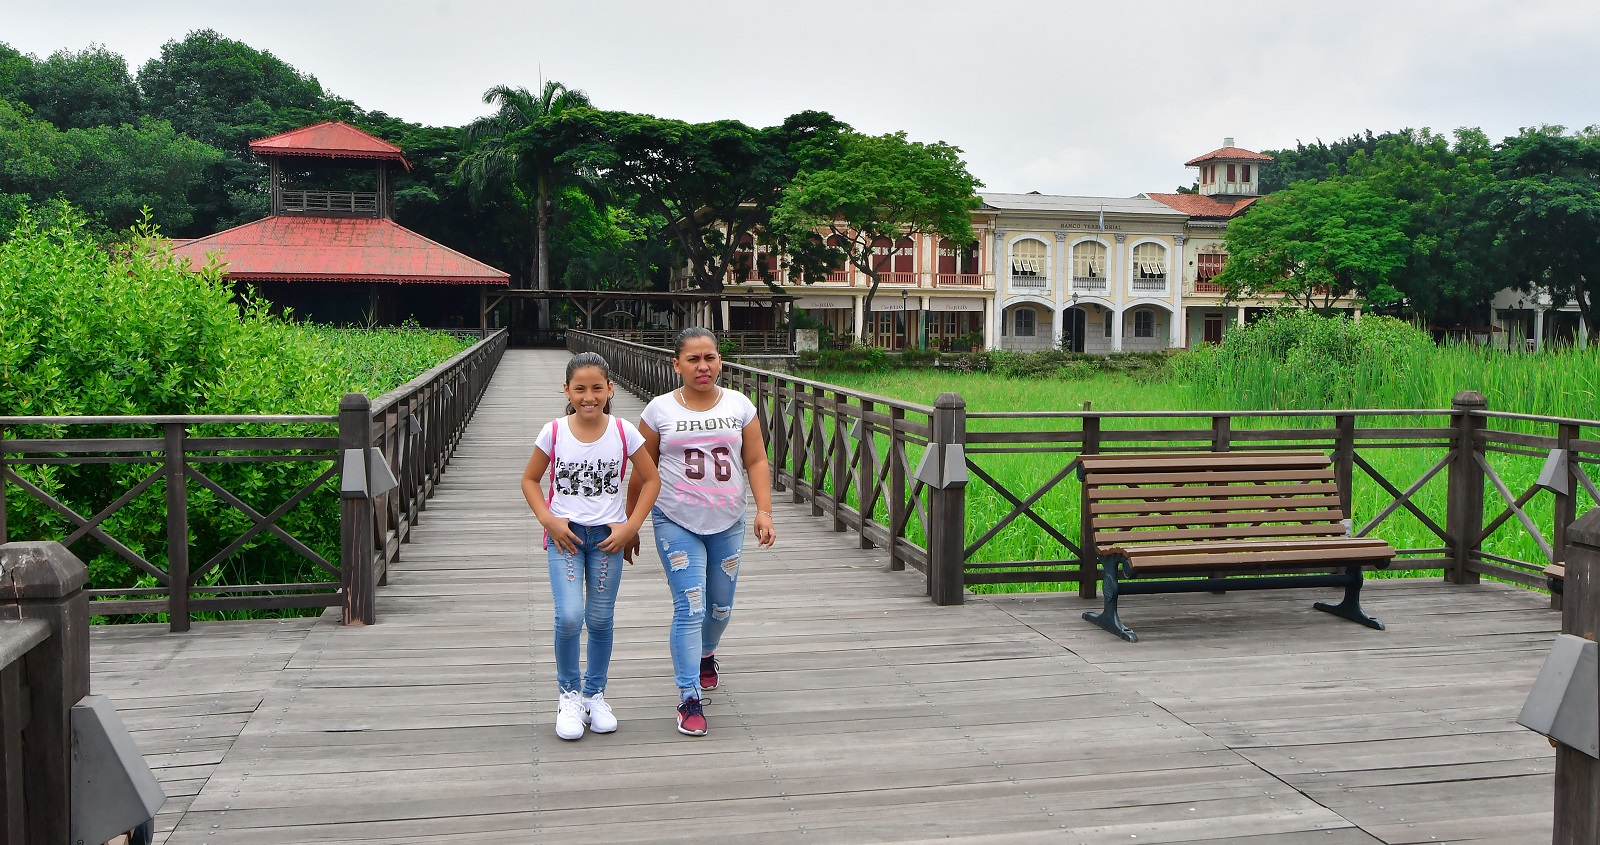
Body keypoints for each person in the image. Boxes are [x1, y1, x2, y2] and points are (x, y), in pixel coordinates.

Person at [630, 327, 776, 736]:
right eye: (693, 359)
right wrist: (631, 524)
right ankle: (689, 695)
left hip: (728, 519)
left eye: (709, 357)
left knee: (721, 608)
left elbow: (757, 460)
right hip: (675, 519)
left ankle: (707, 653)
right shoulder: (658, 410)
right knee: (690, 606)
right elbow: (641, 472)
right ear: (676, 364)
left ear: (720, 361)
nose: (702, 366)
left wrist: (764, 511)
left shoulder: (740, 405)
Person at [521, 352, 660, 741]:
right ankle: (568, 694)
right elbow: (530, 480)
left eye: (597, 388)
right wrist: (548, 520)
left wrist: (631, 527)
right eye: (579, 388)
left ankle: (594, 694)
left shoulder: (623, 432)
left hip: (607, 538)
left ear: (610, 389)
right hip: (565, 535)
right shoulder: (553, 432)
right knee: (569, 616)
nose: (588, 396)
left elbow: (651, 480)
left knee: (600, 620)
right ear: (566, 390)